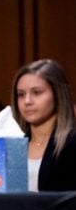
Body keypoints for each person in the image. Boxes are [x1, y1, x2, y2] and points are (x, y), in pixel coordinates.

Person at [11, 59, 76, 191]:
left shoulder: (72, 144)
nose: (27, 101)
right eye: (21, 95)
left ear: (58, 95)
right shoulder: (14, 147)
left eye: (37, 92)